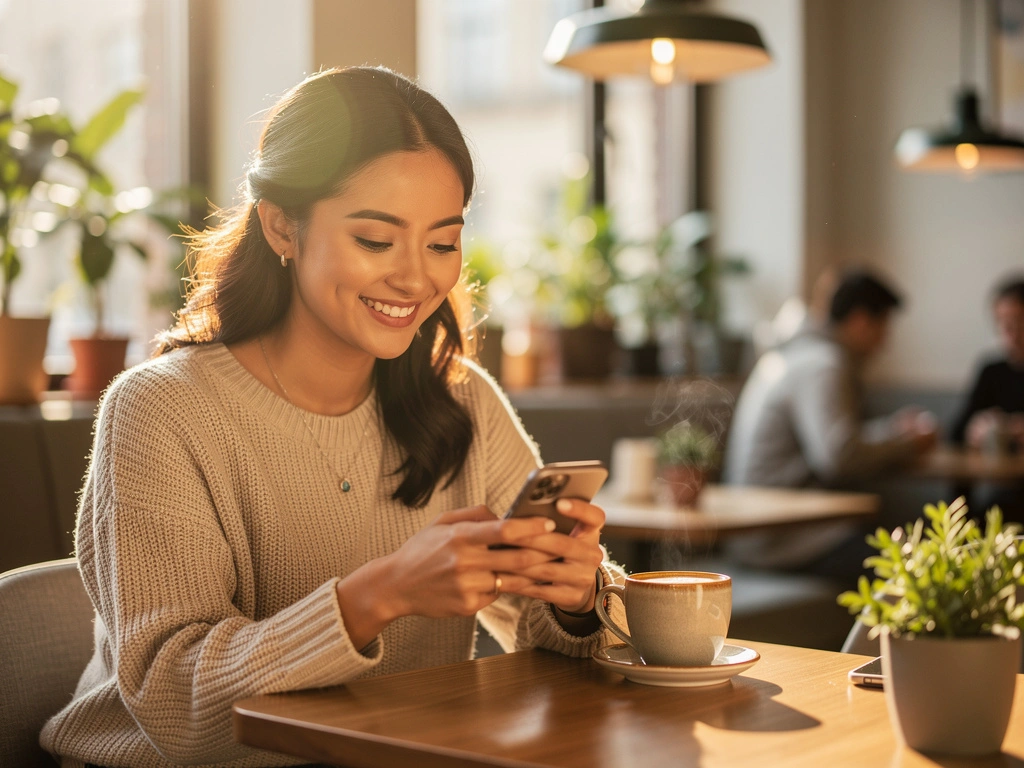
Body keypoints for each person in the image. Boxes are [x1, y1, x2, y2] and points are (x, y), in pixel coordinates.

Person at [41, 67, 623, 768]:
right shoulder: (162, 410)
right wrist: (376, 595)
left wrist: (574, 601)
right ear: (281, 225)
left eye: (442, 243)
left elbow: (567, 642)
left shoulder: (459, 398)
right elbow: (175, 705)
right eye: (376, 240)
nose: (416, 278)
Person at [721, 269, 937, 572]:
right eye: (883, 327)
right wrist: (908, 443)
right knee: (919, 567)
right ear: (860, 321)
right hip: (781, 537)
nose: (884, 342)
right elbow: (838, 456)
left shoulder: (796, 355)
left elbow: (834, 439)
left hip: (760, 532)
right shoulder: (823, 365)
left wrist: (892, 431)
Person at [949, 275, 1024, 519]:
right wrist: (975, 428)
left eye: (1018, 322)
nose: (1011, 333)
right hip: (1005, 493)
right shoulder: (992, 371)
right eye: (1003, 323)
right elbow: (955, 432)